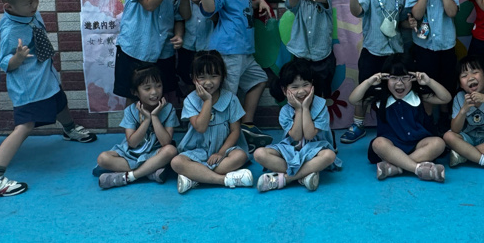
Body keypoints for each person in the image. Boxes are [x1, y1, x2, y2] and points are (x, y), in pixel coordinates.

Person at [0, 0, 96, 199]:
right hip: (30, 88)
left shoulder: (25, 11)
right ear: (9, 7)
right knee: (24, 127)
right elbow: (4, 63)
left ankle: (69, 130)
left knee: (59, 101)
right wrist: (17, 58)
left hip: (45, 77)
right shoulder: (12, 29)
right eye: (29, 3)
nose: (34, 6)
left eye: (36, 0)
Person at [196, 0, 274, 151]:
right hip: (227, 50)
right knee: (226, 96)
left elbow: (239, 4)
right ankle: (225, 139)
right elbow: (209, 9)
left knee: (259, 80)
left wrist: (257, 3)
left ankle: (245, 125)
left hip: (244, 50)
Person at [348, 55, 452, 182]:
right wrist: (369, 82)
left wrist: (428, 81)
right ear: (385, 78)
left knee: (438, 143)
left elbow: (446, 98)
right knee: (378, 143)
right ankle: (417, 168)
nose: (399, 83)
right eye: (394, 78)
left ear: (413, 78)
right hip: (391, 146)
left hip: (417, 144)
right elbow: (353, 100)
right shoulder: (381, 96)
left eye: (405, 78)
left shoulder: (418, 95)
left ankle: (396, 167)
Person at [342, 0, 407, 144]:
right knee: (365, 90)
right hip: (372, 53)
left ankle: (396, 123)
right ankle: (358, 124)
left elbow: (400, 22)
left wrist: (409, 23)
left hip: (395, 53)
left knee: (397, 89)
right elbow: (357, 12)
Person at [170, 51, 253, 194]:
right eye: (202, 77)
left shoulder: (231, 99)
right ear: (194, 78)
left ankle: (196, 176)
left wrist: (220, 153)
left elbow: (235, 131)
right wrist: (207, 101)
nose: (208, 83)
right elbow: (200, 128)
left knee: (240, 156)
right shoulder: (190, 100)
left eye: (214, 76)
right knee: (176, 162)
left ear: (222, 76)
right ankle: (224, 180)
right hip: (198, 150)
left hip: (225, 150)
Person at [253, 59, 340, 193]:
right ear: (284, 90)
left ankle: (286, 179)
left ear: (312, 85)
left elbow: (309, 135)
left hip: (315, 150)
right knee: (259, 154)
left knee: (329, 155)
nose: (301, 91)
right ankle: (307, 173)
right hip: (290, 150)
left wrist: (305, 108)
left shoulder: (321, 106)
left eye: (305, 85)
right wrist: (299, 109)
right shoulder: (285, 111)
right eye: (294, 87)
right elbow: (297, 136)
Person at [95, 65, 179, 189]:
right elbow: (133, 143)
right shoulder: (130, 111)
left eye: (158, 86)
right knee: (103, 159)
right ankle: (149, 170)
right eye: (147, 88)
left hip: (155, 152)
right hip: (131, 154)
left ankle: (129, 176)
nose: (154, 92)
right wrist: (146, 120)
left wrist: (154, 117)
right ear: (135, 92)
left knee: (171, 150)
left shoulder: (169, 109)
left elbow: (165, 142)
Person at [404, 0, 460, 124]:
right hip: (423, 49)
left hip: (446, 48)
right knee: (425, 86)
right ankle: (427, 119)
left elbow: (452, 12)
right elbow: (416, 15)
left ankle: (444, 117)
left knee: (447, 83)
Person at [443, 55, 484, 172]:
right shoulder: (459, 97)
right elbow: (455, 129)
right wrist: (464, 109)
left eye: (475, 72)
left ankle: (465, 154)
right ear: (460, 84)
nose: (470, 78)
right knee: (448, 136)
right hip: (468, 138)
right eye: (464, 76)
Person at [286, 0, 338, 101]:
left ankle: (320, 113)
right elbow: (292, 1)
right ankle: (302, 112)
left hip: (322, 56)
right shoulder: (299, 1)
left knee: (321, 92)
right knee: (301, 90)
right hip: (300, 54)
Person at [175, 0, 217, 94]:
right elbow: (185, 16)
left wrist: (200, 2)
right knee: (188, 81)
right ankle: (191, 108)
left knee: (211, 82)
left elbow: (217, 19)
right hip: (189, 46)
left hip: (210, 47)